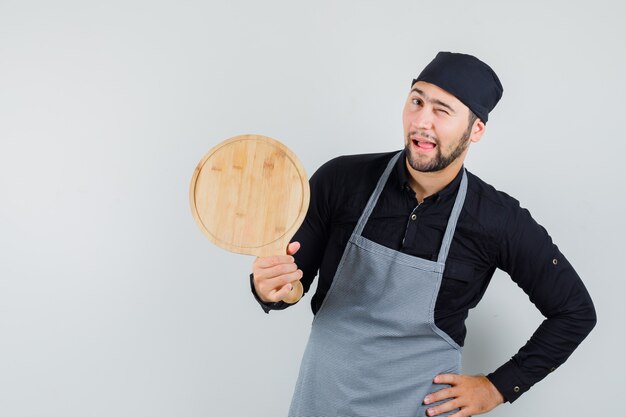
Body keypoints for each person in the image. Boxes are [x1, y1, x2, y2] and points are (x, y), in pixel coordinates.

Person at [250, 51, 596, 417]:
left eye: (442, 110)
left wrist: (497, 388)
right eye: (416, 101)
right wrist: (269, 288)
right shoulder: (340, 180)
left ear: (475, 129)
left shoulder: (498, 220)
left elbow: (574, 312)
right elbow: (289, 283)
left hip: (422, 408)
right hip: (323, 400)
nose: (421, 121)